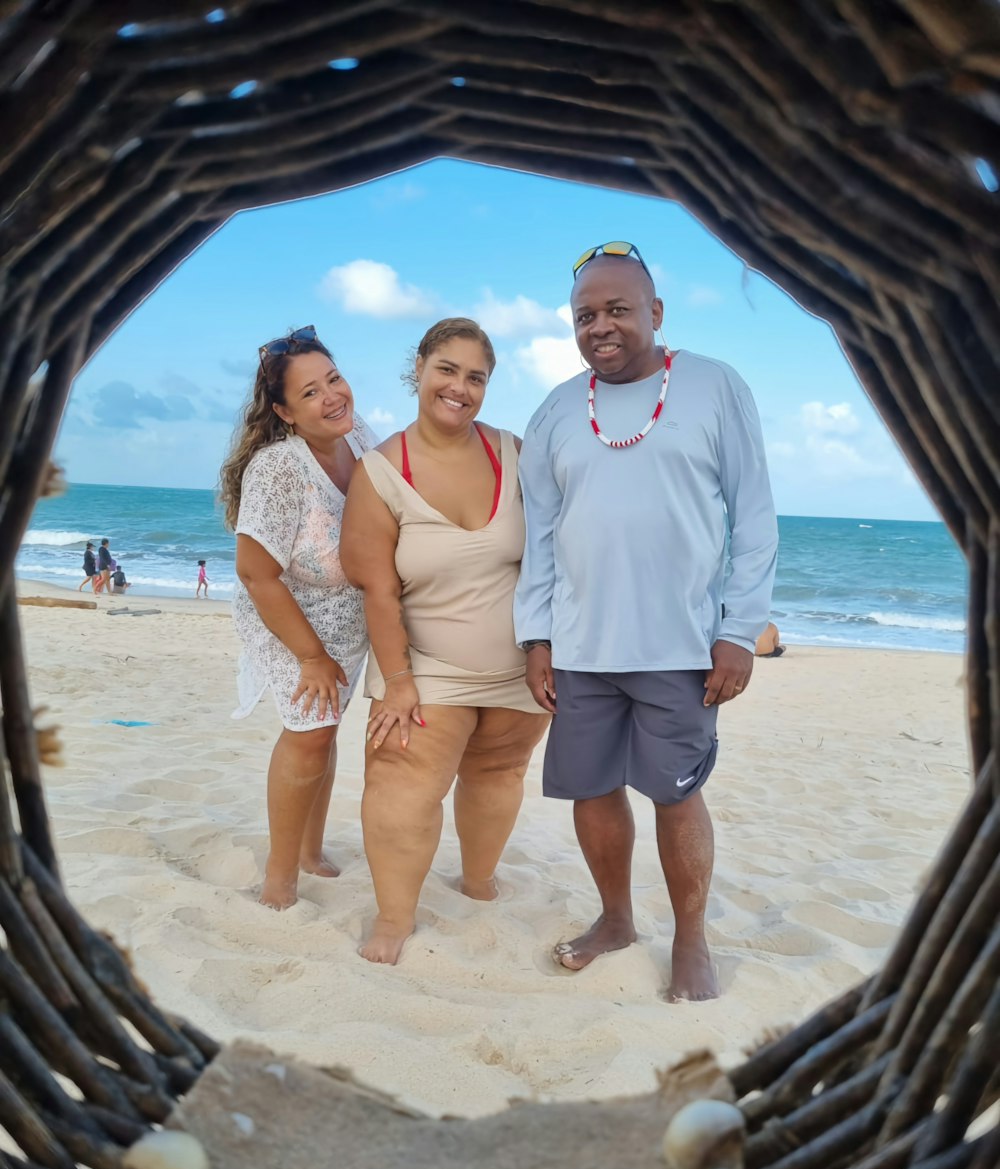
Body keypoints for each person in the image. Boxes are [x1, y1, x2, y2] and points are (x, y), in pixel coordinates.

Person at [514, 241, 778, 1002]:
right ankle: (617, 919)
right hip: (580, 644)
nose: (601, 326)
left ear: (655, 312)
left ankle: (691, 940)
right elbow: (539, 535)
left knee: (675, 792)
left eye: (618, 310)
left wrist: (739, 628)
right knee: (593, 790)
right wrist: (537, 637)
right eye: (585, 315)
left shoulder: (715, 386)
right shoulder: (558, 408)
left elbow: (754, 515)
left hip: (681, 644)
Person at [340, 318, 550, 966]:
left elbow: (551, 554)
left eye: (475, 376)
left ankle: (479, 880)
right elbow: (378, 590)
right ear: (419, 370)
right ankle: (394, 919)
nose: (459, 387)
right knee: (401, 788)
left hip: (519, 669)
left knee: (499, 772)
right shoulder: (379, 473)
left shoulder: (515, 452)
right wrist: (397, 680)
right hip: (424, 669)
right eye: (447, 369)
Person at [218, 325, 378, 910]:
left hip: (347, 619)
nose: (332, 397)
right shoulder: (279, 468)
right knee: (308, 734)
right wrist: (311, 656)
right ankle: (279, 877)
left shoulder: (359, 437)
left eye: (333, 379)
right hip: (285, 616)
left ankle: (311, 850)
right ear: (285, 411)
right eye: (310, 393)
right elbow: (256, 574)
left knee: (326, 730)